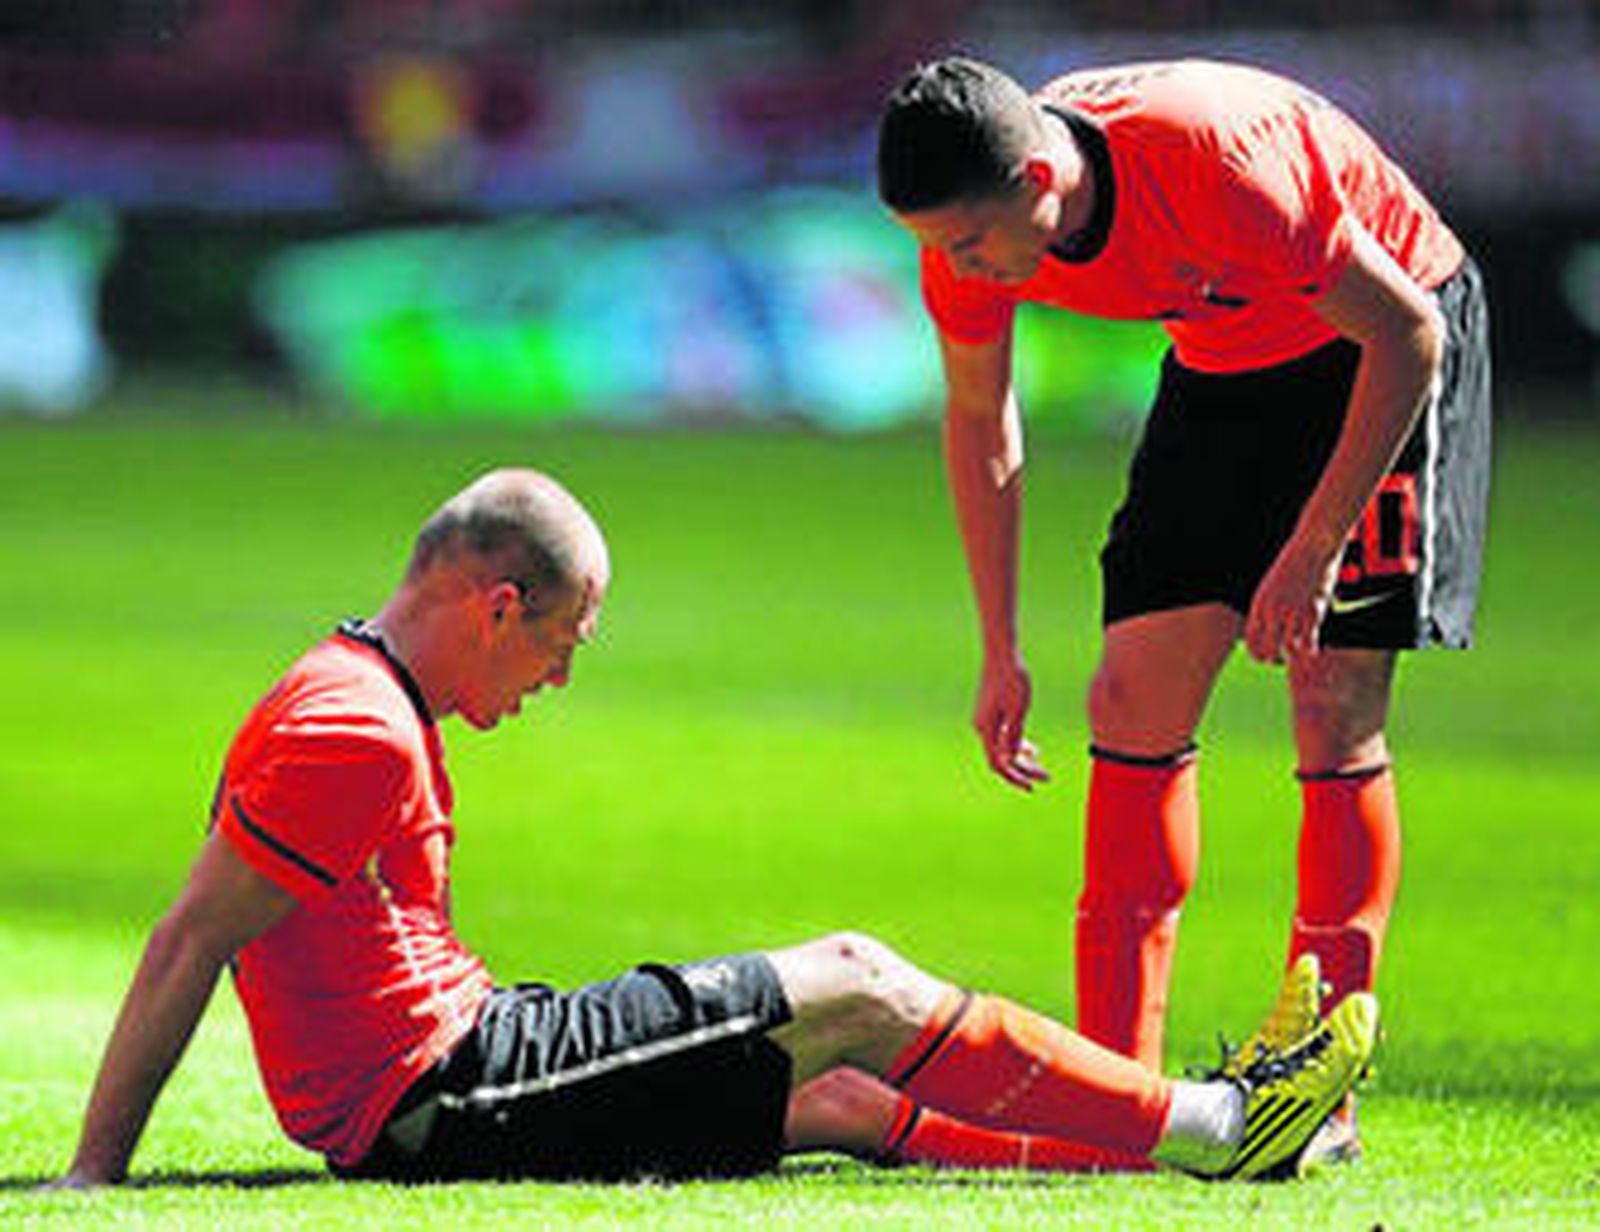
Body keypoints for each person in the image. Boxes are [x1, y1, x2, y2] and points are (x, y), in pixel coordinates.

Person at [52, 468, 1375, 1189]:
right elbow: (187, 943)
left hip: (470, 1066)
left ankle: (1191, 1140)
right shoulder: (355, 728)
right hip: (444, 1100)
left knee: (846, 1094)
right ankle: (1222, 1124)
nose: (560, 679)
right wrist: (92, 1182)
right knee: (858, 980)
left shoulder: (363, 693)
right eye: (564, 644)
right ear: (498, 608)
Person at [875, 56, 1491, 1164]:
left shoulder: (1216, 168)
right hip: (1223, 359)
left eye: (966, 241)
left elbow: (1407, 337)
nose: (955, 268)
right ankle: (1119, 1100)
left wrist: (1310, 550)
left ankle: (1322, 1094)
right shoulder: (969, 244)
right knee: (1128, 695)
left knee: (1331, 701)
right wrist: (1000, 644)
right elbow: (981, 421)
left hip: (1379, 342)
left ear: (1035, 178)